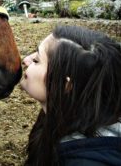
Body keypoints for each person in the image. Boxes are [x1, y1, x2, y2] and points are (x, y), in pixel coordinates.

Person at [20, 25, 121, 166]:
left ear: (65, 85)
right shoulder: (62, 113)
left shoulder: (82, 160)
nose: (25, 60)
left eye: (36, 60)